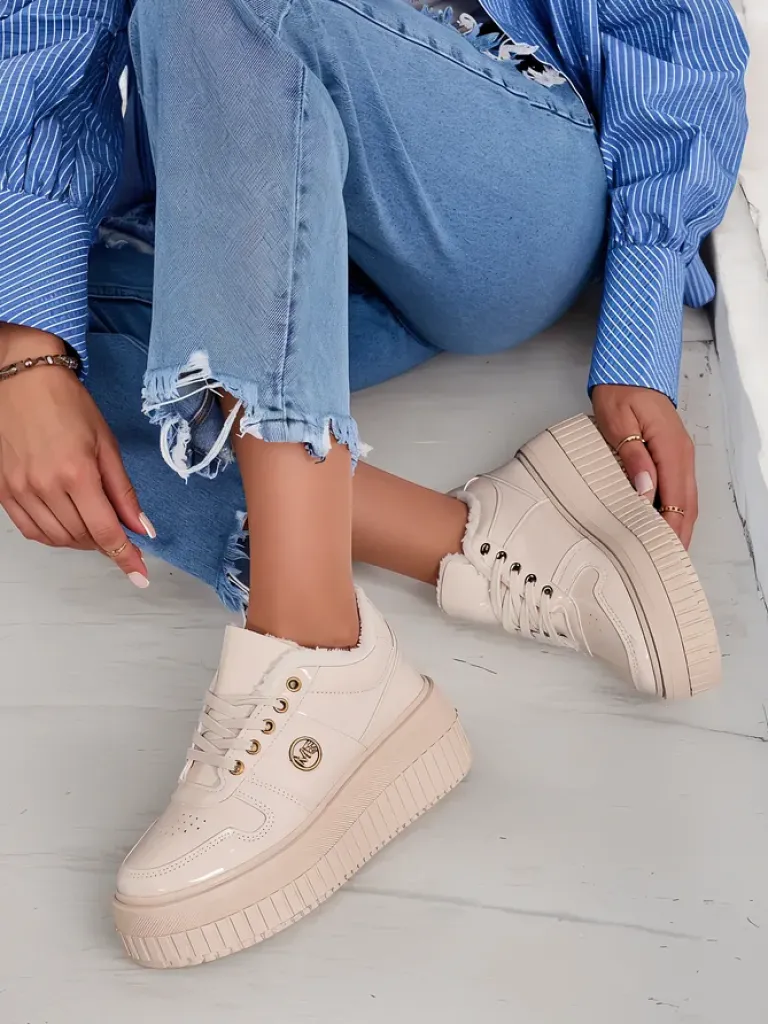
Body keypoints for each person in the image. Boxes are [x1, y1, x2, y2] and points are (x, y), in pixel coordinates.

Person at [0, 0, 747, 968]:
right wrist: (27, 352)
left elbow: (670, 30)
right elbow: (42, 29)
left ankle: (314, 642)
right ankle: (478, 538)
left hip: (485, 184)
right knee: (26, 351)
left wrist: (641, 328)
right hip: (244, 198)